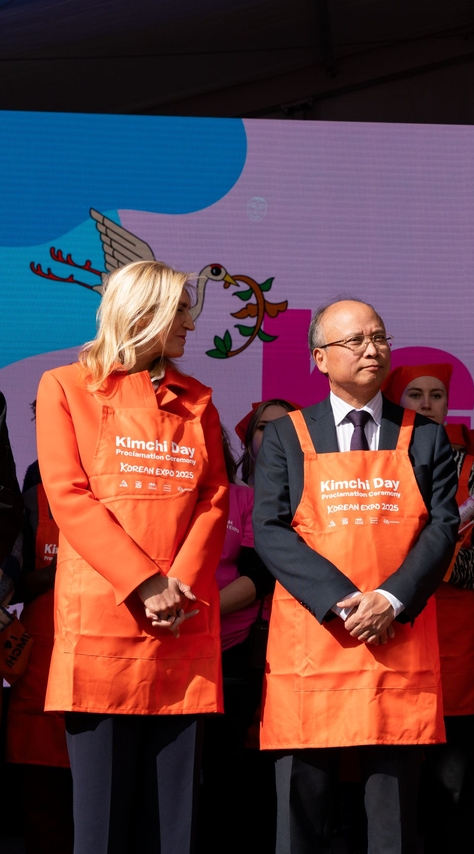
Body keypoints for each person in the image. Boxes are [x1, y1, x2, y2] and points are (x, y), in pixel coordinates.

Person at [35, 259, 230, 853]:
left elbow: (214, 497)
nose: (191, 327)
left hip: (182, 624)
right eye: (181, 313)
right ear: (143, 314)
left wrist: (181, 586)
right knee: (102, 826)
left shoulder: (198, 401)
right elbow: (68, 495)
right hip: (104, 626)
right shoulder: (64, 386)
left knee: (175, 825)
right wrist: (147, 584)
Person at [253, 297, 459, 854]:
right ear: (320, 358)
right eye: (354, 341)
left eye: (380, 337)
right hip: (317, 641)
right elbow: (269, 530)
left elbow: (442, 529)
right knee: (302, 813)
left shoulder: (425, 434)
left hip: (394, 638)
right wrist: (345, 600)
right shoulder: (287, 435)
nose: (372, 349)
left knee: (392, 820)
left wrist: (390, 599)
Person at [383, 363, 474, 851]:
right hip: (387, 635)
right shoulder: (372, 464)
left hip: (454, 645)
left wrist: (427, 562)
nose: (426, 403)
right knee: (388, 779)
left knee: (451, 780)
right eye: (413, 394)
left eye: (437, 395)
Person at [197, 424, 285, 853]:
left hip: (231, 653)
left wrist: (194, 612)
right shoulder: (163, 500)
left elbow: (257, 575)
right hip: (173, 649)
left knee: (224, 770)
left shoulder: (244, 499)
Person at [8, 462, 73, 854]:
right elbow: (10, 585)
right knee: (42, 809)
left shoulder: (119, 493)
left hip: (95, 669)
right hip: (39, 673)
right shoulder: (30, 498)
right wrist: (68, 567)